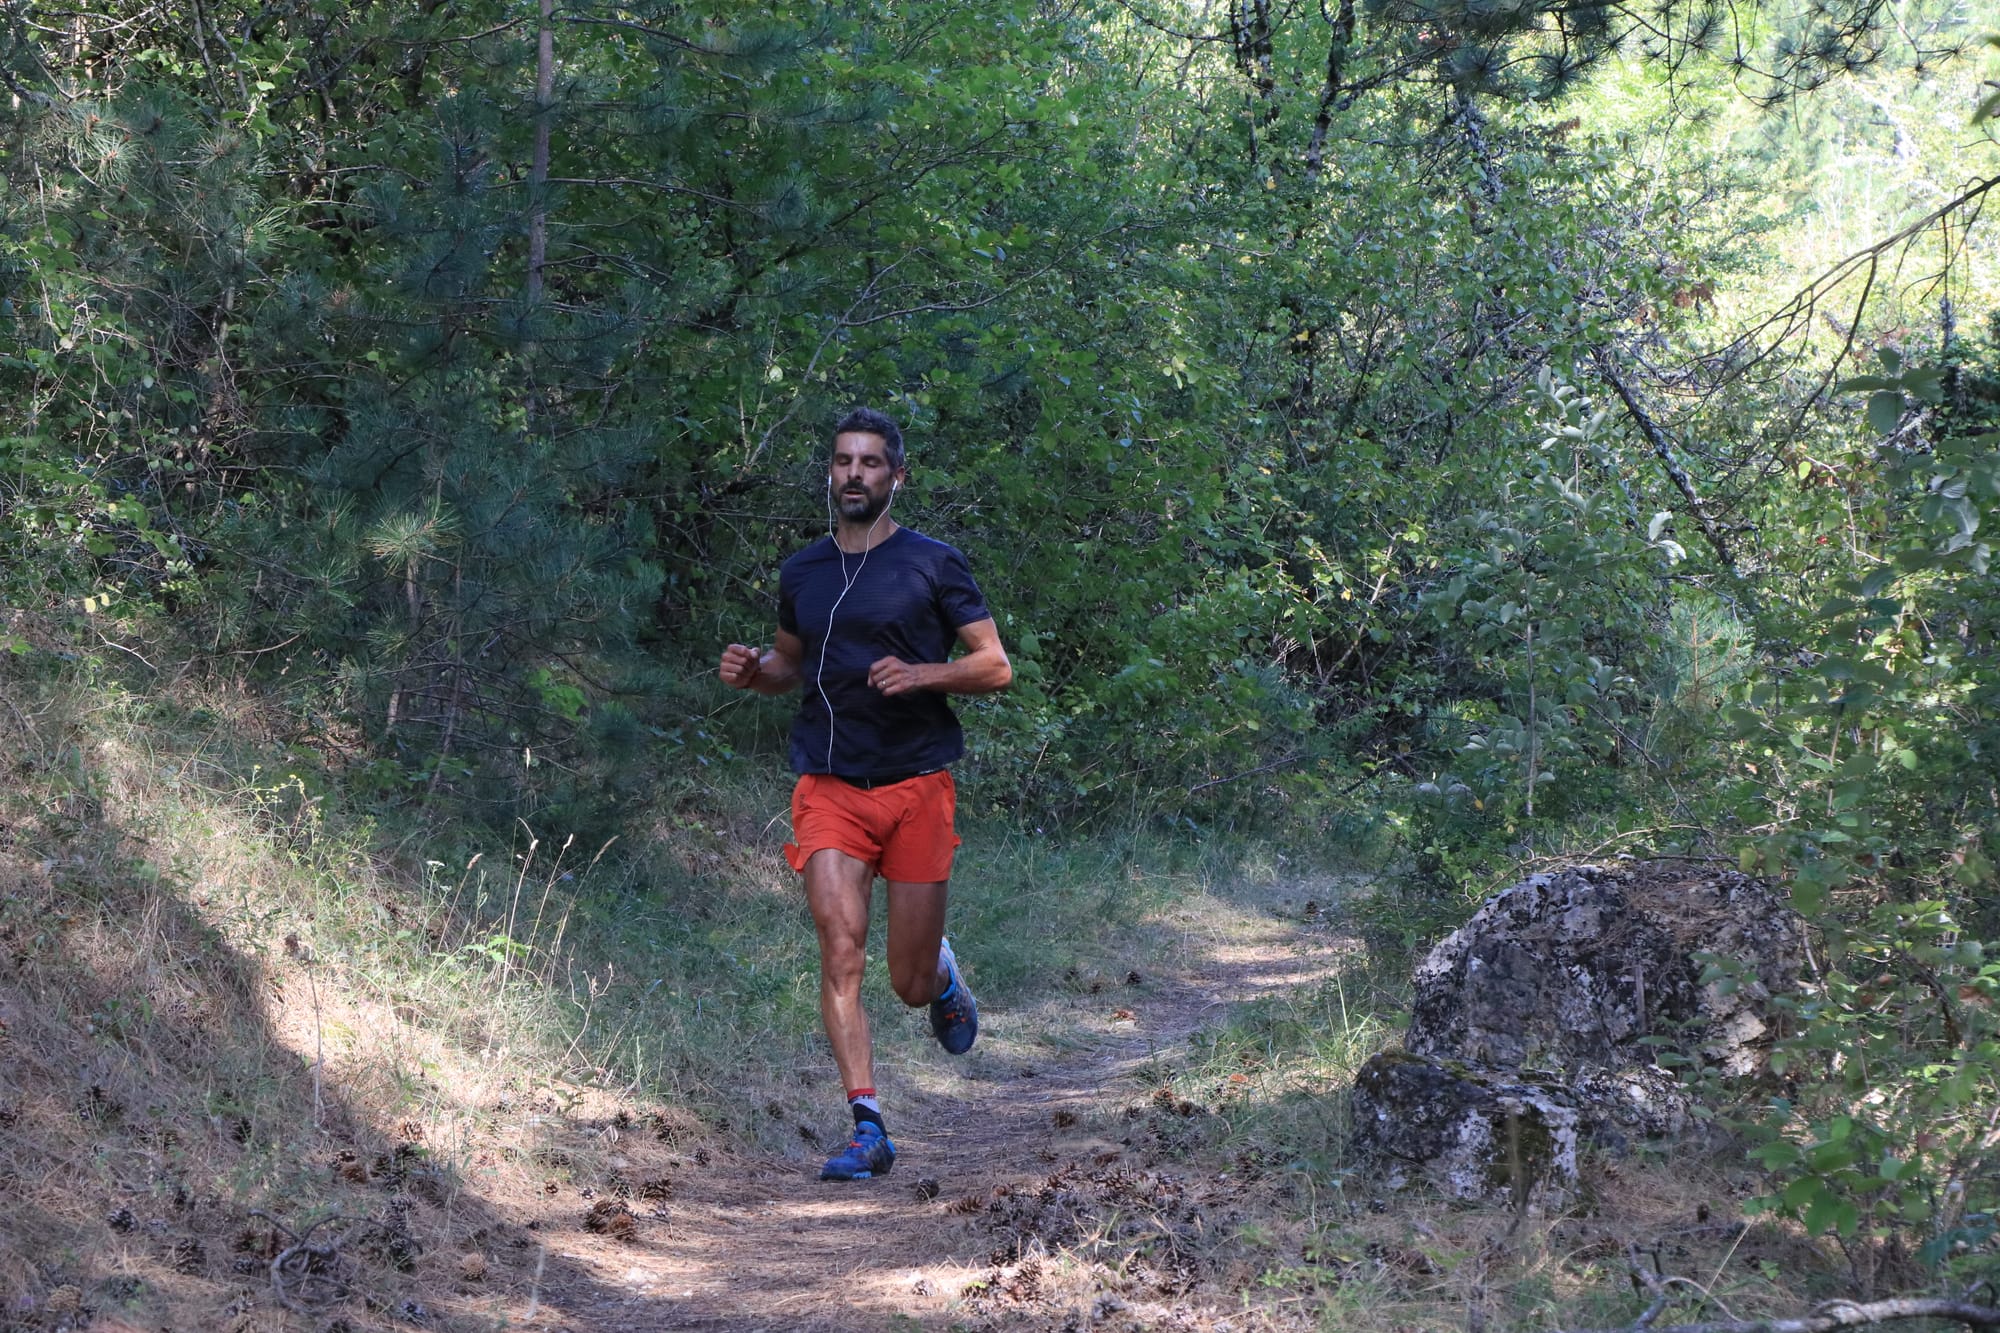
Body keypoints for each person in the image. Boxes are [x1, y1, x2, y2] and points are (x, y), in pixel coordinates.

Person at [718, 407, 1012, 1181]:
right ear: (830, 473)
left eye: (871, 462)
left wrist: (923, 673)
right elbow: (789, 663)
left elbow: (994, 665)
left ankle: (941, 973)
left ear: (896, 477)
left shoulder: (933, 563)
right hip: (830, 784)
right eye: (843, 460)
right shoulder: (803, 572)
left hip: (916, 784)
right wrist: (756, 675)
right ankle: (868, 1125)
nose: (854, 473)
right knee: (839, 950)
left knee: (906, 984)